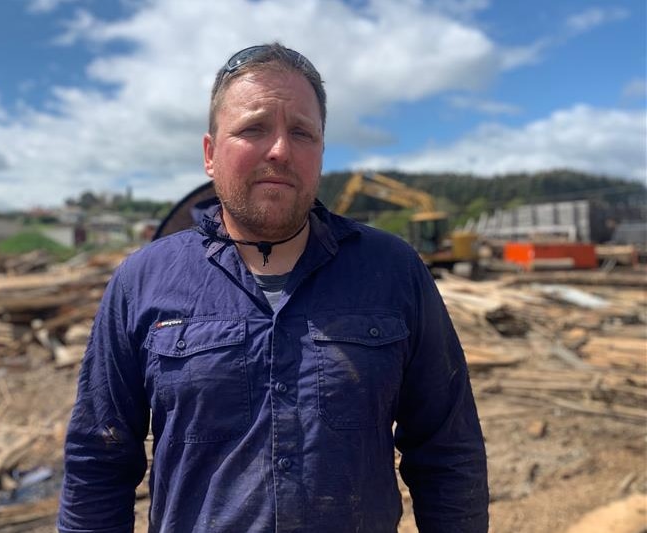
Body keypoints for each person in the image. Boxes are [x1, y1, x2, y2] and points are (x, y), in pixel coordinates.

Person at [58, 43, 489, 533]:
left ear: (321, 153)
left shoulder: (395, 272)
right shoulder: (142, 281)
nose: (280, 149)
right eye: (253, 129)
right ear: (209, 154)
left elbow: (448, 451)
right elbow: (99, 459)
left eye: (302, 132)